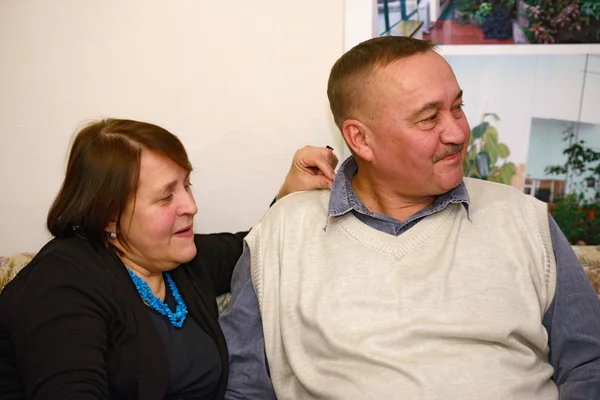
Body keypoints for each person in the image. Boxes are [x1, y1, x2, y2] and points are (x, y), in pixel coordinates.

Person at [219, 36, 600, 399]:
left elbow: (589, 364)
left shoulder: (522, 217)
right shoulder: (282, 233)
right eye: (429, 118)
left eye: (457, 108)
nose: (457, 132)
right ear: (361, 139)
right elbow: (244, 385)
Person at [0, 118, 338, 400]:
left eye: (187, 186)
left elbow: (253, 247)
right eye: (166, 197)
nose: (191, 206)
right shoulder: (63, 281)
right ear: (109, 217)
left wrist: (289, 193)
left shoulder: (180, 260)